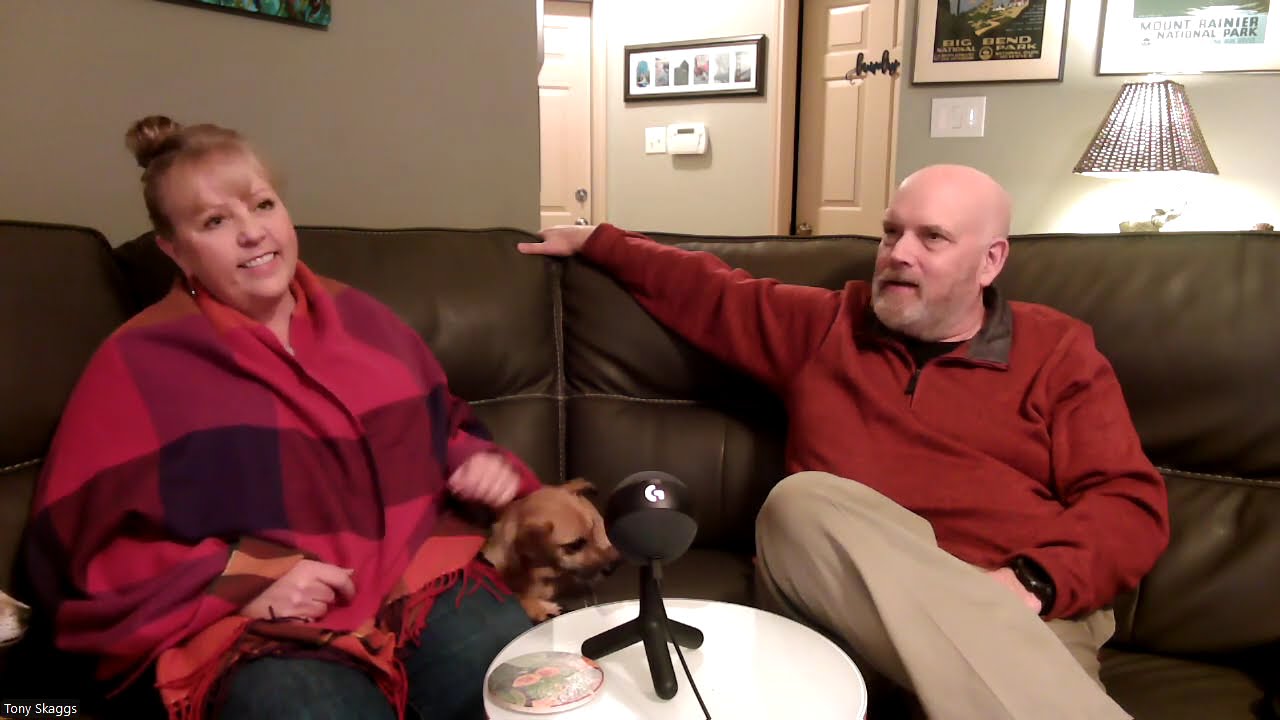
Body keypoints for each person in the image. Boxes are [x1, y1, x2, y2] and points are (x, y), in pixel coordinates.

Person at [518, 164, 1170, 720]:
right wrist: (597, 240)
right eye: (891, 232)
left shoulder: (1056, 350)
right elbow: (707, 290)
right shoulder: (825, 326)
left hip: (1018, 608)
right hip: (842, 604)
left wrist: (1029, 583)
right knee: (801, 503)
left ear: (991, 260)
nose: (898, 253)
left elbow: (1128, 503)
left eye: (932, 237)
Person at [21, 116, 540, 720]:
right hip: (259, 622)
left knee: (514, 674)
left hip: (415, 568)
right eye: (214, 222)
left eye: (263, 204)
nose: (252, 232)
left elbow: (438, 426)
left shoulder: (362, 317)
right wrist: (243, 581)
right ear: (173, 250)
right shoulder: (135, 363)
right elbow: (88, 553)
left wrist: (471, 460)